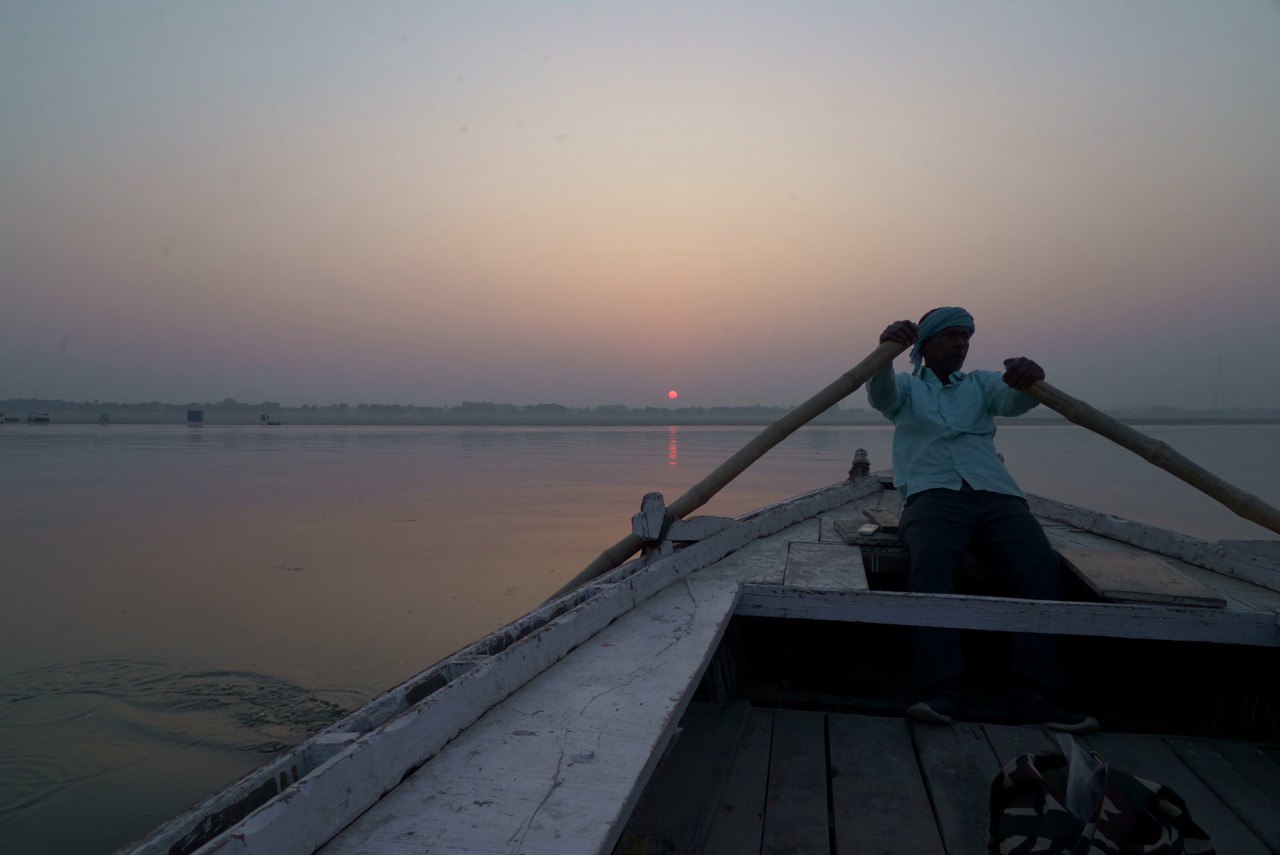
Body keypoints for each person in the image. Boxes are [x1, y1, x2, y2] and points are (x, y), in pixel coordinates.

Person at [869, 307, 1098, 733]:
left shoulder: (981, 384)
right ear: (924, 345)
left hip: (997, 494)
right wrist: (884, 352)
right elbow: (880, 394)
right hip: (932, 494)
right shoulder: (905, 389)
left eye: (966, 337)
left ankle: (1037, 695)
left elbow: (1013, 402)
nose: (961, 344)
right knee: (932, 562)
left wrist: (1031, 379)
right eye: (950, 337)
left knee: (1041, 566)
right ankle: (942, 690)